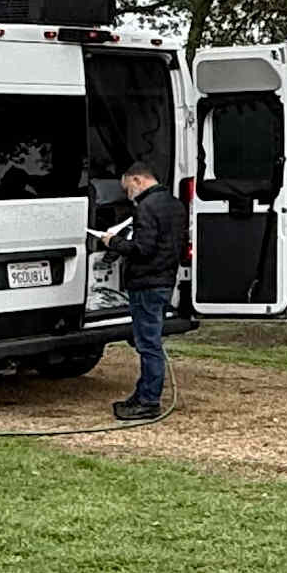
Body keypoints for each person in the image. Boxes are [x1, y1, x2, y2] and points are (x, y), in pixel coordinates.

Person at [95, 157, 186, 423]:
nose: (128, 194)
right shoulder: (175, 204)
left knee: (148, 345)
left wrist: (115, 242)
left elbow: (143, 249)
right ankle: (142, 392)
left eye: (128, 189)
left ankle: (149, 401)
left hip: (146, 282)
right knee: (150, 341)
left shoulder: (146, 207)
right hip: (165, 279)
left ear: (137, 180)